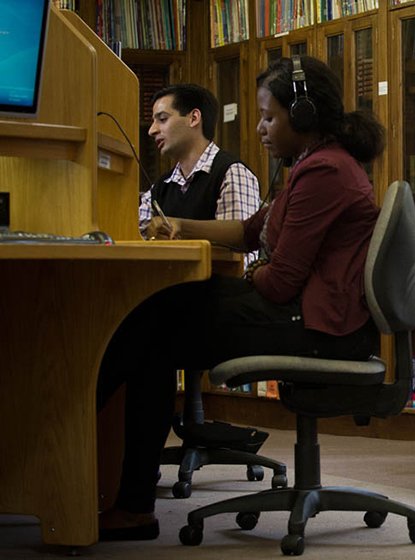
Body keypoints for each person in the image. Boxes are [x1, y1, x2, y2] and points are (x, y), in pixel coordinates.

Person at [96, 55, 386, 541]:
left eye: (269, 117)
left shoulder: (325, 173)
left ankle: (119, 495)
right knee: (153, 324)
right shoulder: (311, 166)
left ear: (305, 116)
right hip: (310, 316)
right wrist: (180, 225)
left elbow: (278, 283)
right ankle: (124, 497)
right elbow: (250, 231)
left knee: (149, 326)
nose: (259, 128)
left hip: (318, 328)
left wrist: (251, 275)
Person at [139, 83, 260, 239]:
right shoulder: (161, 187)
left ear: (194, 118)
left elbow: (240, 256)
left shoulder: (232, 173)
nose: (151, 130)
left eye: (162, 119)